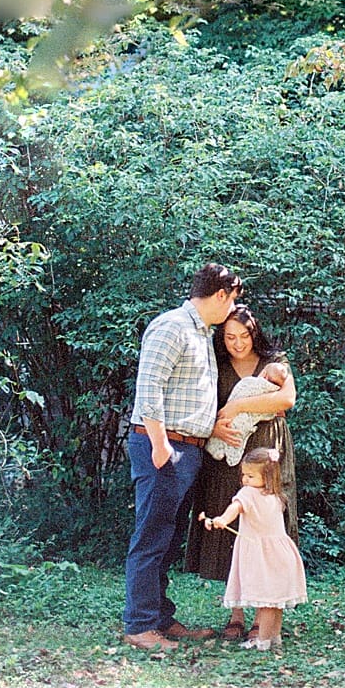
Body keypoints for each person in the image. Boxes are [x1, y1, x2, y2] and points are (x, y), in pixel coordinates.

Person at [121, 262, 245, 652]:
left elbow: (184, 397)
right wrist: (160, 447)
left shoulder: (201, 332)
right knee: (151, 538)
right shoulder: (172, 326)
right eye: (233, 300)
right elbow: (150, 388)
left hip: (188, 449)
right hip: (164, 448)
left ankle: (160, 618)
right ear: (222, 295)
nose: (232, 309)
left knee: (170, 539)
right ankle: (140, 626)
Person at [184, 303, 299, 642]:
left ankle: (263, 613)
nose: (238, 343)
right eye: (230, 336)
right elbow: (203, 408)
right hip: (227, 457)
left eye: (244, 335)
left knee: (267, 529)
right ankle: (236, 612)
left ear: (255, 333)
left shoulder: (275, 361)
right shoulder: (216, 366)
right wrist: (215, 427)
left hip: (267, 451)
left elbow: (285, 400)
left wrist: (235, 406)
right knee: (231, 524)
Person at [199, 446, 308, 649]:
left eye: (250, 475)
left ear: (267, 476)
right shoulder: (277, 496)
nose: (245, 480)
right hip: (281, 553)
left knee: (267, 601)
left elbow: (236, 507)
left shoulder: (248, 493)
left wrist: (222, 519)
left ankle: (263, 641)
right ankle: (275, 637)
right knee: (276, 601)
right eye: (244, 475)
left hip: (262, 554)